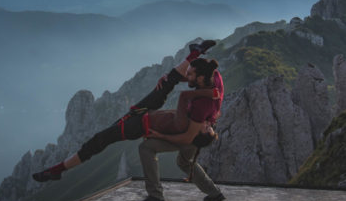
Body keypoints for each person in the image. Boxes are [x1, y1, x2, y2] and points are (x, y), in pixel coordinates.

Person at [31, 39, 219, 184]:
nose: (209, 125)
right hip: (148, 111)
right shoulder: (207, 107)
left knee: (99, 140)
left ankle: (57, 170)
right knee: (168, 80)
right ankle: (196, 52)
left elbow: (185, 130)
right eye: (211, 125)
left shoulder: (192, 120)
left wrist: (211, 93)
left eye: (208, 129)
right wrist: (206, 93)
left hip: (140, 124)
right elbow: (203, 88)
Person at [134, 57, 225, 201]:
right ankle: (214, 193)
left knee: (146, 148)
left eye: (190, 75)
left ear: (201, 78)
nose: (187, 77)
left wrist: (159, 136)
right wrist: (173, 79)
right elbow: (199, 81)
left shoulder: (200, 107)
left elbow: (187, 138)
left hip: (190, 135)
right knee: (185, 162)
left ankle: (155, 197)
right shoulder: (214, 76)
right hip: (193, 130)